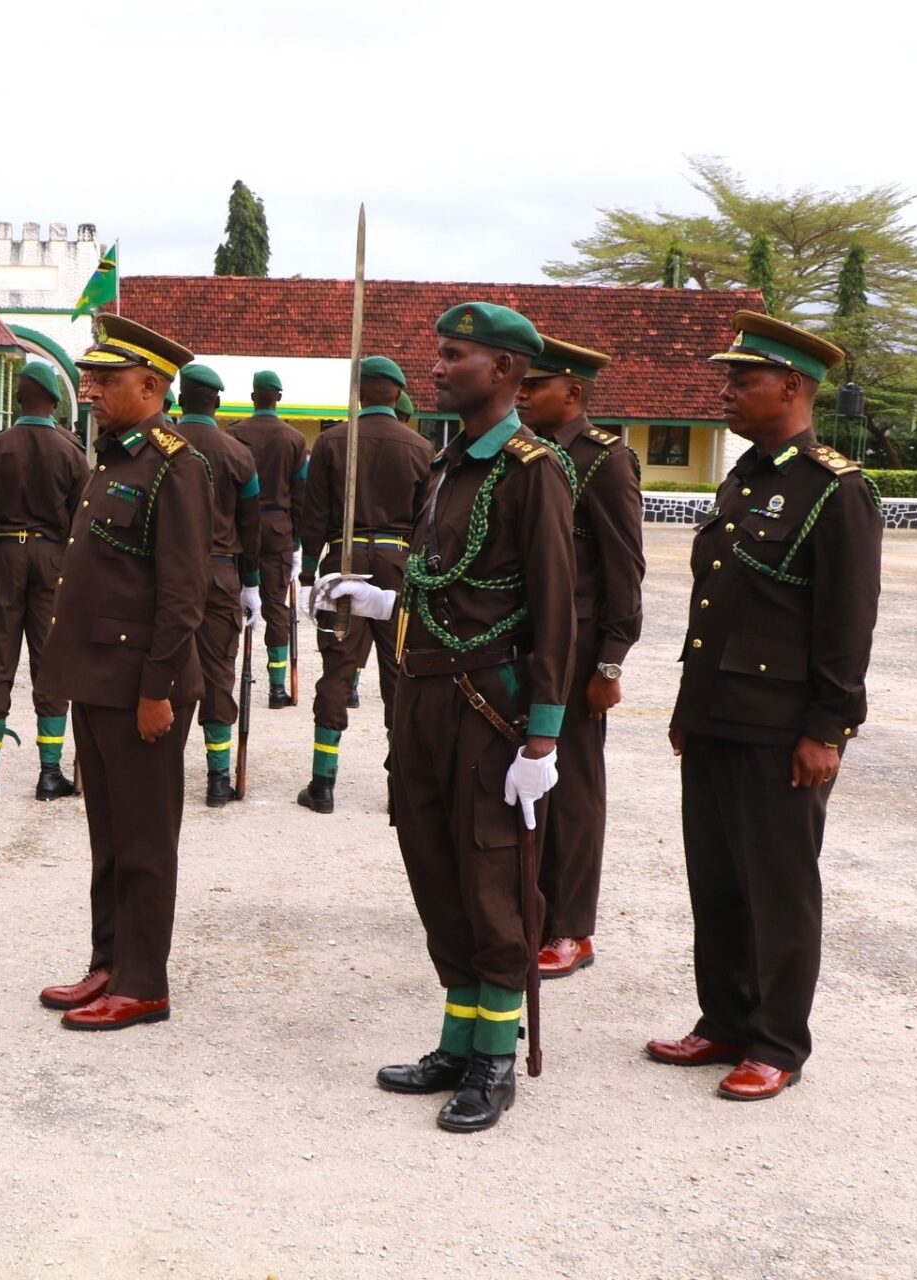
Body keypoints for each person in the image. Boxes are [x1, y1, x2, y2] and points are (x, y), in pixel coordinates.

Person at [646, 312, 882, 1102]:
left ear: (791, 385)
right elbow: (715, 608)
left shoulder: (834, 489)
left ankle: (777, 1041)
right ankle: (724, 1020)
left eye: (741, 381)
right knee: (714, 880)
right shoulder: (745, 478)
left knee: (778, 887)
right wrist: (689, 707)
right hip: (718, 715)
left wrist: (828, 728)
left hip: (782, 729)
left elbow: (846, 623)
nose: (727, 393)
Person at [372, 302, 575, 1133]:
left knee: (493, 880)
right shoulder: (448, 464)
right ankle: (458, 1040)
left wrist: (544, 735)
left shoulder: (531, 469)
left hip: (490, 709)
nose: (438, 367)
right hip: (424, 695)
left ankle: (495, 1059)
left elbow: (558, 606)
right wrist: (384, 599)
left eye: (455, 355)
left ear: (504, 371)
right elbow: (441, 580)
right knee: (436, 870)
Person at [37, 315, 212, 1031]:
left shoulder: (176, 464)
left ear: (152, 385)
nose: (90, 390)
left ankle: (144, 984)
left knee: (143, 841)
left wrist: (157, 691)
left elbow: (182, 595)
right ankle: (108, 961)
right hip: (98, 680)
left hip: (142, 686)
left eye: (105, 381)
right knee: (108, 838)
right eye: (90, 378)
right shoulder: (115, 457)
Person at [515, 336, 644, 979]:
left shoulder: (604, 460)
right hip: (528, 640)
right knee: (523, 783)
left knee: (574, 790)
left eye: (535, 385)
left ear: (573, 392)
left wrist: (611, 662)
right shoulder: (527, 457)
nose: (522, 394)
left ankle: (571, 929)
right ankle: (528, 910)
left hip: (582, 647)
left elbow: (625, 569)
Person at [295, 356, 430, 813]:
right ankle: (400, 790)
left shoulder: (333, 441)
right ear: (398, 394)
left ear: (359, 393)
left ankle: (323, 785)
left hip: (343, 561)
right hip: (399, 564)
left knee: (337, 671)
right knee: (400, 675)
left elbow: (312, 515)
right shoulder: (421, 448)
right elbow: (428, 522)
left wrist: (309, 572)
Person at [0, 360, 89, 800]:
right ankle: (49, 774)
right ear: (54, 402)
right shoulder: (72, 452)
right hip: (54, 561)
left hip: (5, 557)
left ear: (18, 398)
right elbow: (82, 526)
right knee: (50, 665)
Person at [168, 363, 263, 806]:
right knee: (218, 672)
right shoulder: (238, 454)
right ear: (218, 403)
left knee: (161, 666)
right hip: (222, 573)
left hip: (166, 575)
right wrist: (252, 583)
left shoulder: (160, 446)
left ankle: (160, 769)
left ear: (181, 399)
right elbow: (251, 524)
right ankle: (218, 779)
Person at [231, 370, 309, 709]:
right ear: (278, 396)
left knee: (233, 603)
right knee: (276, 607)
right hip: (278, 528)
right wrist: (297, 542)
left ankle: (224, 674)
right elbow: (301, 495)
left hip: (238, 529)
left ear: (253, 397)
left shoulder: (233, 434)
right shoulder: (294, 439)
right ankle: (277, 687)